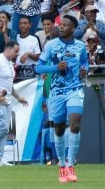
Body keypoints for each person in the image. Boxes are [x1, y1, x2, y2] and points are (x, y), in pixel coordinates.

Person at [35, 15, 88, 183]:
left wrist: (84, 70)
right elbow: (38, 67)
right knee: (58, 128)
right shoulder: (51, 45)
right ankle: (62, 166)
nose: (61, 27)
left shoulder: (80, 46)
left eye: (65, 25)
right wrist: (55, 67)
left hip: (75, 89)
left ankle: (71, 165)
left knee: (75, 122)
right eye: (61, 25)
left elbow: (85, 63)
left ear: (73, 29)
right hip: (57, 92)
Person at [0, 41, 28, 165]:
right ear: (8, 49)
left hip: (7, 100)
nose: (17, 54)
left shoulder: (9, 64)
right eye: (16, 51)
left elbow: (9, 85)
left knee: (5, 131)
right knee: (3, 127)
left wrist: (18, 97)